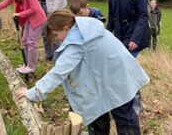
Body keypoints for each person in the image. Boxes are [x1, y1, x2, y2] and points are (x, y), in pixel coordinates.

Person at [15, 9, 149, 134]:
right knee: (113, 119)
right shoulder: (87, 28)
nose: (57, 39)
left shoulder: (76, 43)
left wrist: (33, 93)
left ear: (66, 28)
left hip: (117, 82)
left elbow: (57, 73)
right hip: (119, 76)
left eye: (56, 34)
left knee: (125, 124)